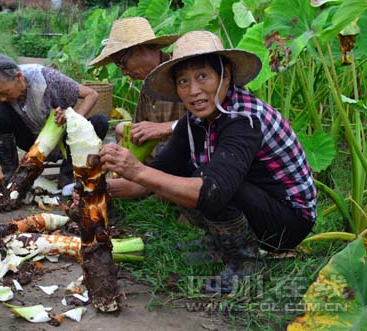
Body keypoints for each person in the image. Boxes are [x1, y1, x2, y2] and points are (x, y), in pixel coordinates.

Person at [100, 31, 316, 293]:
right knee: (183, 174)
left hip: (288, 220)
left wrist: (136, 169)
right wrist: (101, 188)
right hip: (254, 198)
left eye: (203, 76)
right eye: (183, 81)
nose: (193, 91)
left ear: (224, 75)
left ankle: (246, 263)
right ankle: (220, 244)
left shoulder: (243, 119)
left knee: (206, 184)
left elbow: (213, 191)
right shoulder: (193, 121)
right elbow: (154, 176)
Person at [0, 54, 108, 190]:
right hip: (31, 140)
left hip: (63, 139)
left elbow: (91, 94)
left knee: (100, 122)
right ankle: (10, 176)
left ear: (19, 77)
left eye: (5, 92)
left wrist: (73, 117)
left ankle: (68, 175)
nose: (2, 98)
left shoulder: (48, 78)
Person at [89, 17, 185, 157]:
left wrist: (164, 128)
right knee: (122, 129)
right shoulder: (148, 83)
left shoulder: (183, 76)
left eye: (122, 63)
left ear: (139, 48)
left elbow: (203, 122)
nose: (124, 72)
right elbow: (136, 130)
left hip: (182, 157)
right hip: (155, 157)